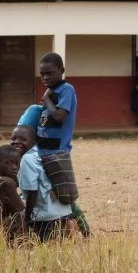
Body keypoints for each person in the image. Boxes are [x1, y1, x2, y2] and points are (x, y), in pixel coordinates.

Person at [36, 52, 87, 236]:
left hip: (57, 152)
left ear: (62, 71)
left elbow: (60, 116)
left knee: (64, 195)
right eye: (42, 74)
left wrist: (46, 100)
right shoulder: (51, 92)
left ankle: (86, 230)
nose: (45, 77)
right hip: (43, 149)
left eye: (50, 73)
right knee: (40, 189)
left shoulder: (66, 90)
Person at [15, 124, 78, 242]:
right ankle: (68, 224)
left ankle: (53, 237)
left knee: (39, 243)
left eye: (23, 139)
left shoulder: (27, 159)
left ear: (33, 143)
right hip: (65, 210)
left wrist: (28, 219)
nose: (16, 142)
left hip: (45, 216)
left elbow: (32, 191)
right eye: (13, 138)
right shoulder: (45, 151)